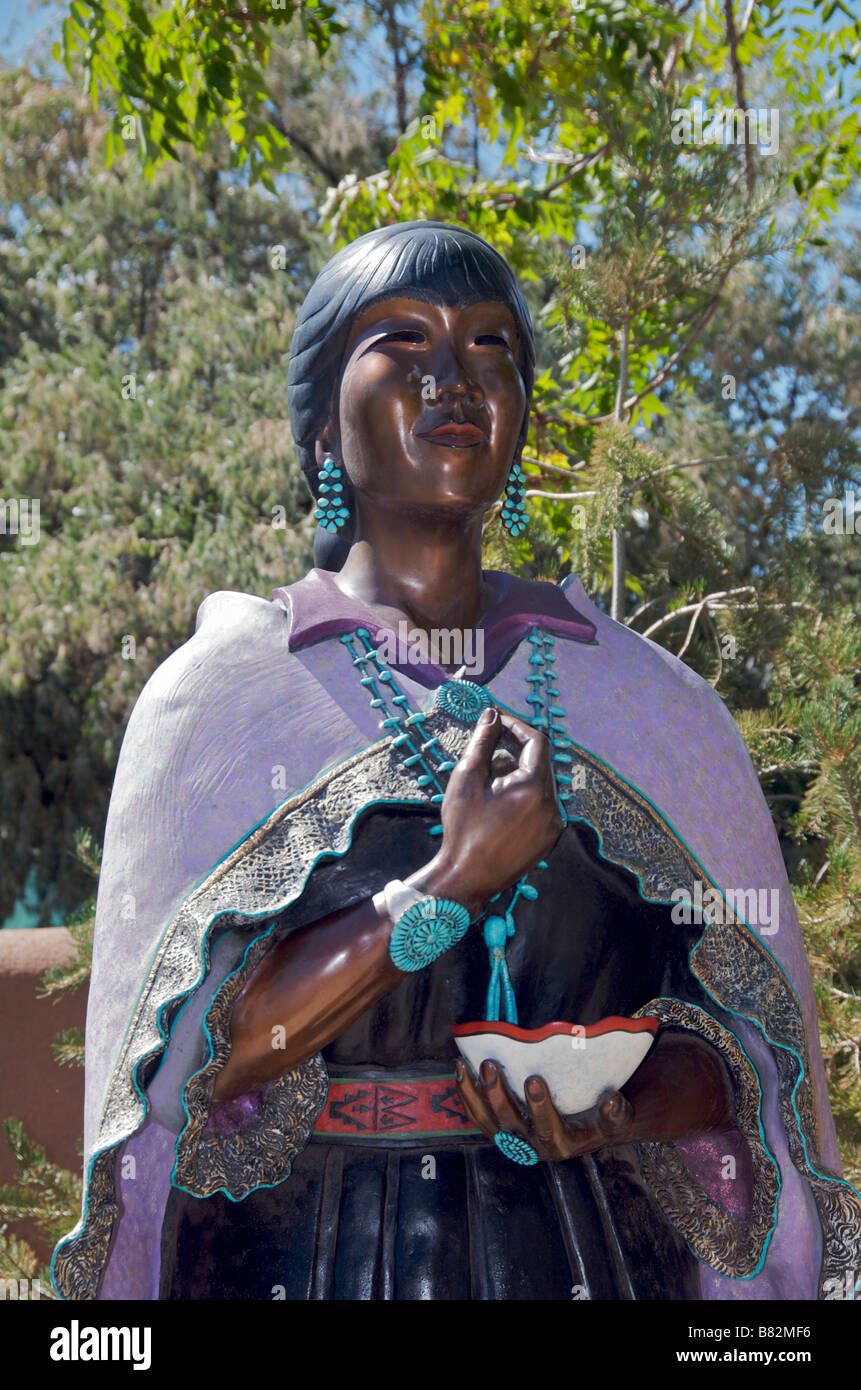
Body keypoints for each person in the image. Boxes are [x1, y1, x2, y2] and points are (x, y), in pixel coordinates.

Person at [54, 221, 860, 1301]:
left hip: (599, 1258)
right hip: (300, 1261)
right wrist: (445, 887)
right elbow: (186, 1073)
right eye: (402, 340)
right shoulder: (219, 701)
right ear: (322, 430)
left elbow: (752, 1061)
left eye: (491, 348)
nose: (455, 378)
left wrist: (623, 1098)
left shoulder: (647, 703)